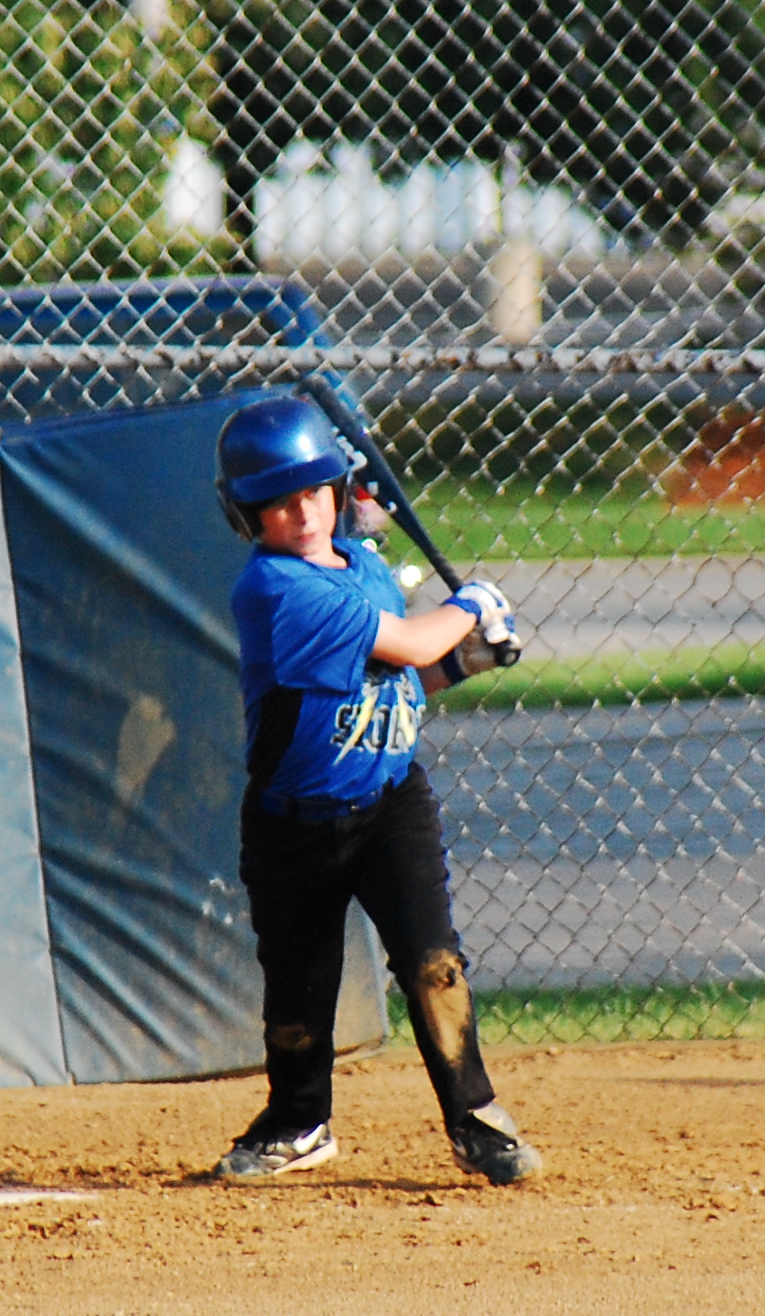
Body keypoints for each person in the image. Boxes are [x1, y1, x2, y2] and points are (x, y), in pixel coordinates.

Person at [211, 395, 545, 1186]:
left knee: (435, 964)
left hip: (391, 802)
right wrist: (468, 607)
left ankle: (477, 1120)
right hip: (293, 824)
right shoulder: (276, 592)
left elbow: (395, 683)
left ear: (337, 491)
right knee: (298, 992)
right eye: (278, 503)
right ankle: (299, 1123)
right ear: (246, 516)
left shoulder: (363, 569)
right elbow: (412, 641)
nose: (302, 514)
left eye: (314, 493)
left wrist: (465, 661)